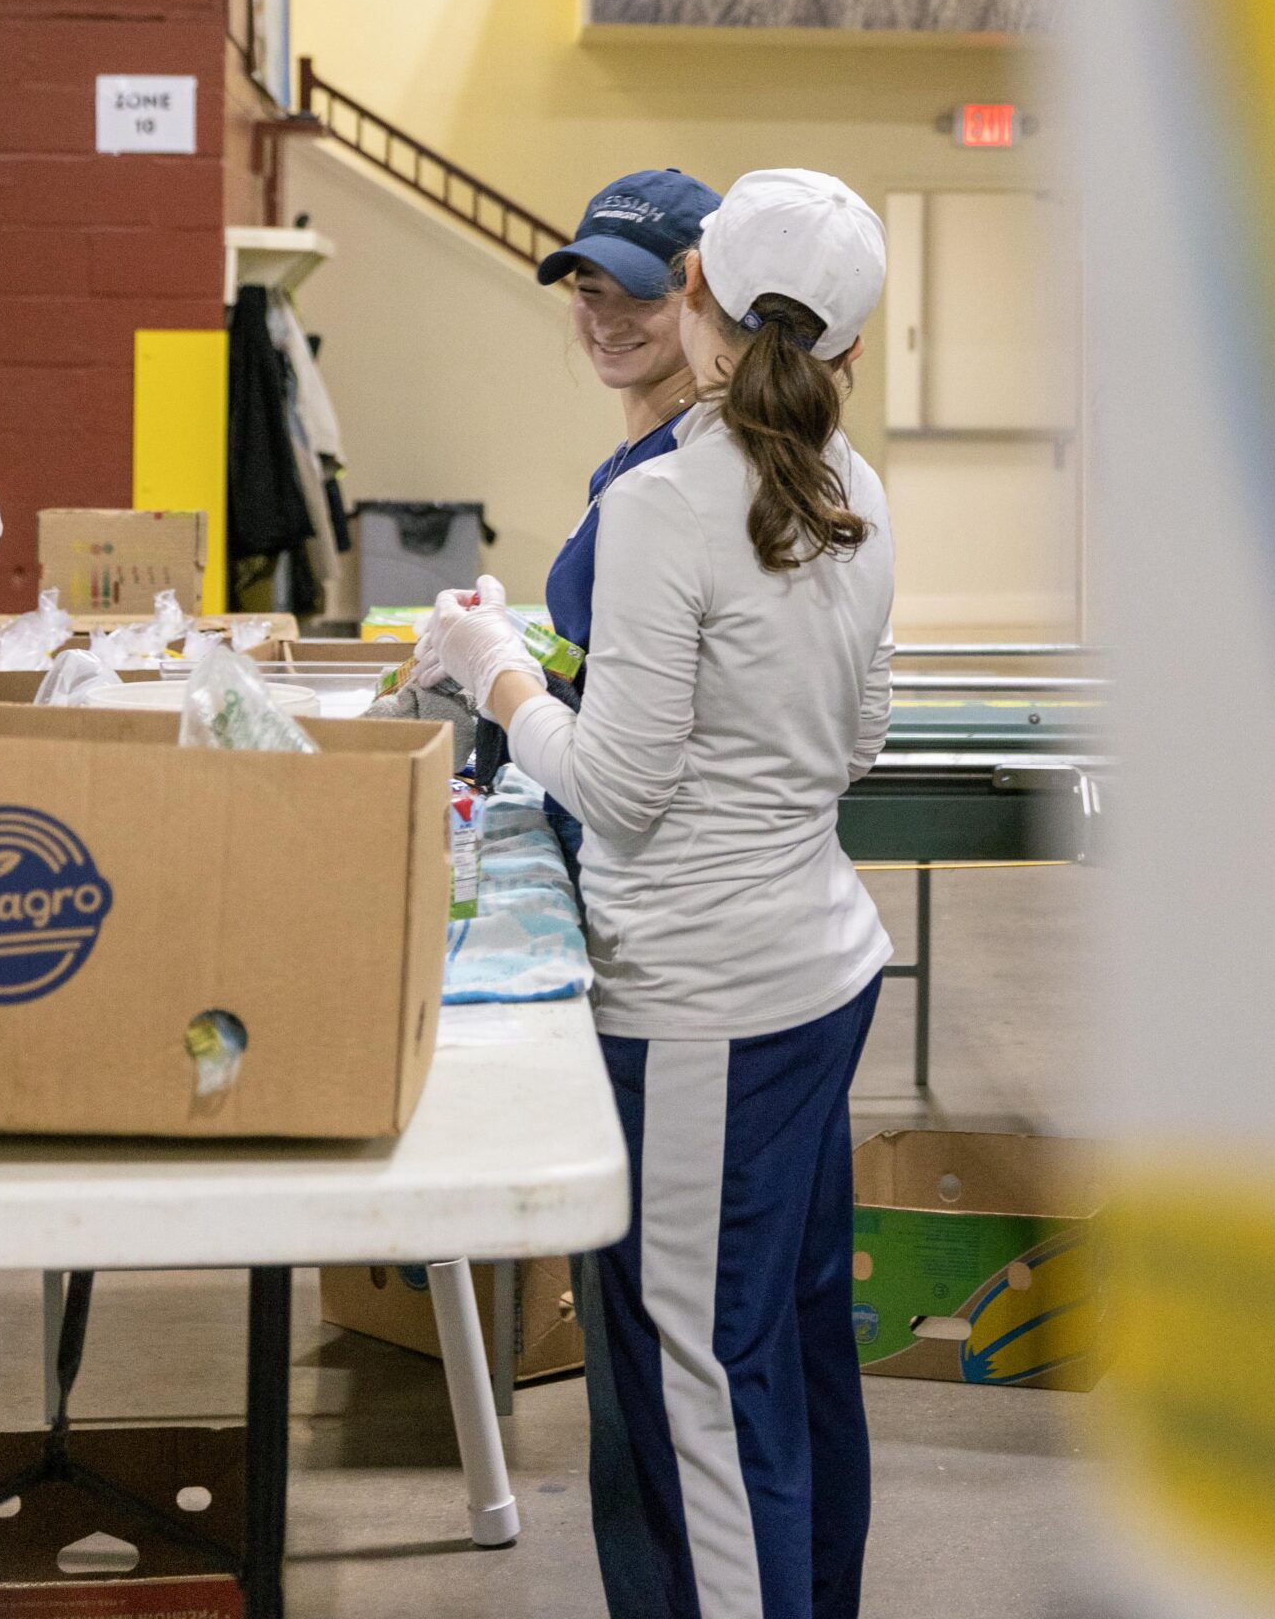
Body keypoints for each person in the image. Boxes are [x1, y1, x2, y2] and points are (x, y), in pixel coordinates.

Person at [417, 167, 895, 1619]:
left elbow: (617, 787)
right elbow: (859, 736)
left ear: (691, 293)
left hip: (701, 1006)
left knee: (695, 1369)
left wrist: (487, 667)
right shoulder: (849, 487)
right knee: (790, 1344)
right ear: (851, 356)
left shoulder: (673, 504)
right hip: (815, 970)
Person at [508, 168, 721, 884]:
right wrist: (523, 647)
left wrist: (500, 681)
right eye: (589, 291)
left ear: (700, 302)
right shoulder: (625, 467)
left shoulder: (685, 473)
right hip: (595, 813)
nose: (606, 319)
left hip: (658, 861)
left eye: (639, 296)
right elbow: (605, 646)